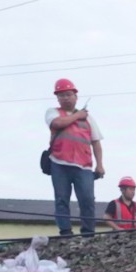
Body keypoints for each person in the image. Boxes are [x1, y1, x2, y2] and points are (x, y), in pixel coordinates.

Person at [46, 78, 104, 237]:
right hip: (59, 163)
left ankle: (88, 233)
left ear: (75, 96)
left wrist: (100, 165)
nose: (65, 97)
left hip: (83, 166)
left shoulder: (89, 119)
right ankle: (65, 232)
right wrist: (78, 115)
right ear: (57, 98)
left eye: (68, 94)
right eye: (61, 95)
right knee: (62, 199)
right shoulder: (53, 112)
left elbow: (96, 142)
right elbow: (57, 124)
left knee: (87, 200)